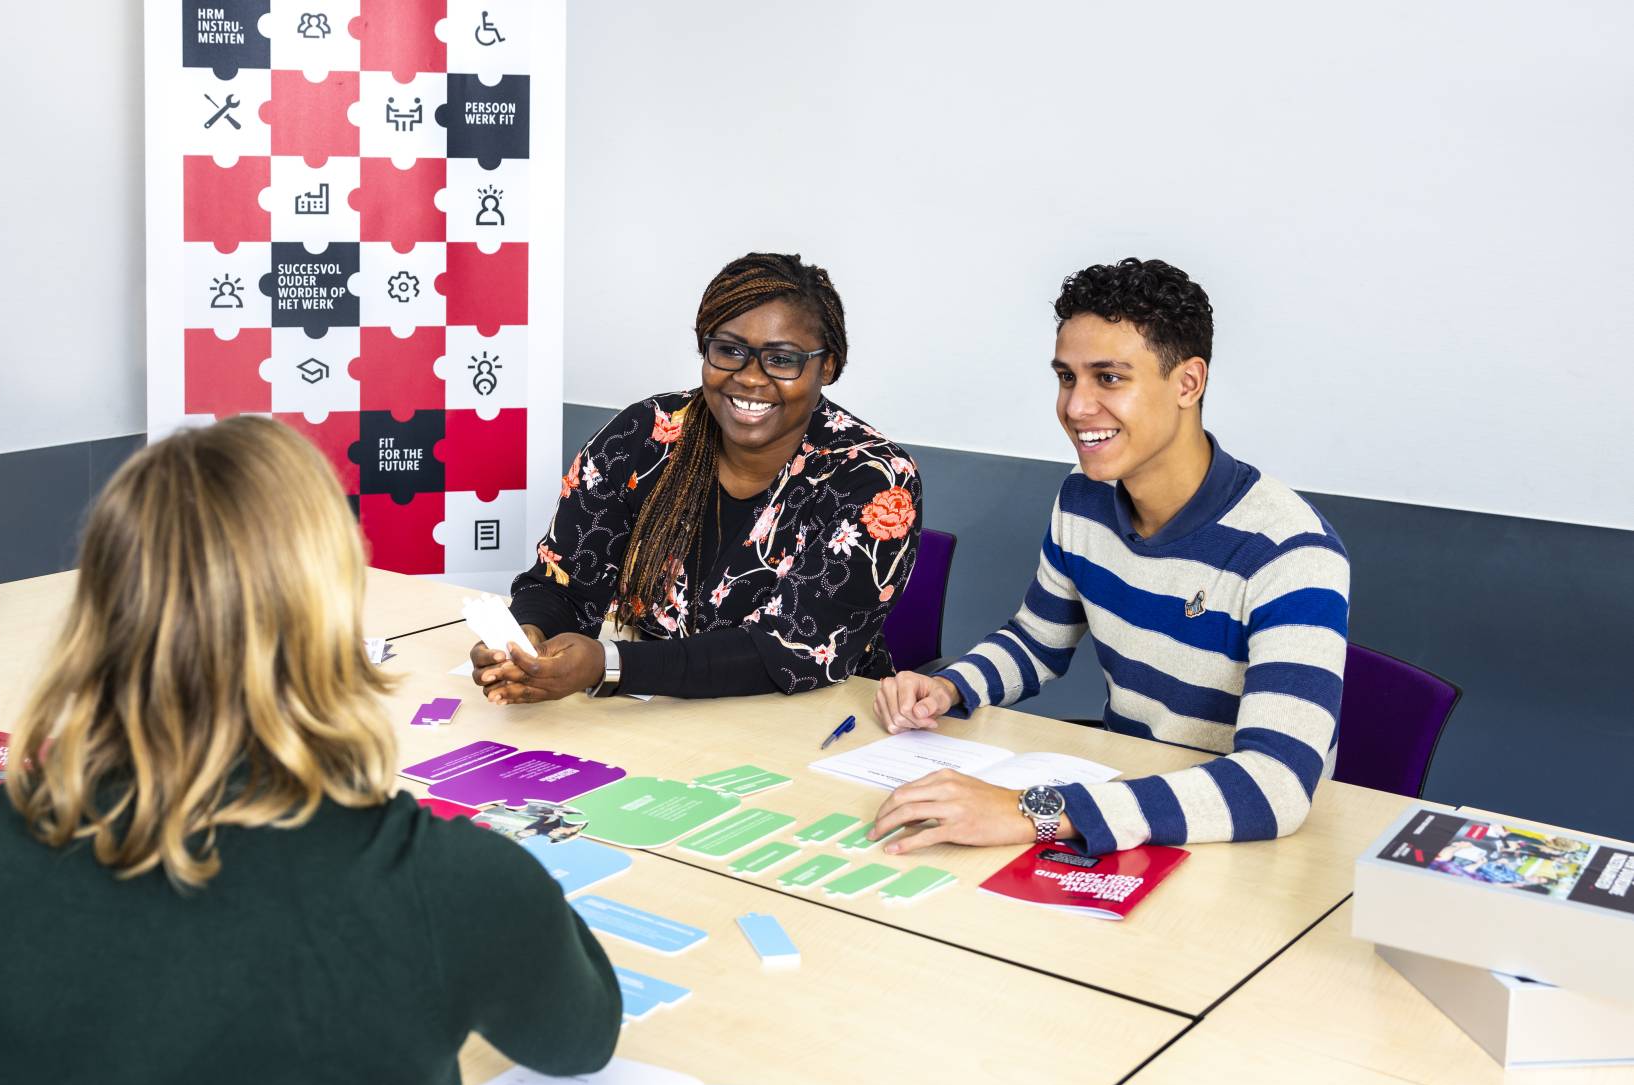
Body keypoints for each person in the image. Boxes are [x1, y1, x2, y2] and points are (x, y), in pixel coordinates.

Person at [0, 417, 621, 1085]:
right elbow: (581, 1032)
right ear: (326, 607)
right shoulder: (441, 882)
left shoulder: (9, 828)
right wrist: (476, 867)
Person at [871, 259, 1349, 856]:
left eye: (1110, 378)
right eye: (1067, 378)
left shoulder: (1288, 551)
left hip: (1238, 839)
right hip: (1122, 805)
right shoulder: (1084, 496)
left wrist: (1032, 812)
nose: (1076, 406)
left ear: (1188, 383)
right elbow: (1037, 642)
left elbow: (1277, 785)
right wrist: (947, 688)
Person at [472, 251, 921, 703]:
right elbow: (562, 582)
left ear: (827, 366)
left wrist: (608, 665)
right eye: (729, 351)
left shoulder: (874, 481)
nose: (749, 378)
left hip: (807, 723)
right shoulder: (645, 435)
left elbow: (788, 652)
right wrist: (523, 641)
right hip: (656, 714)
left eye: (781, 360)